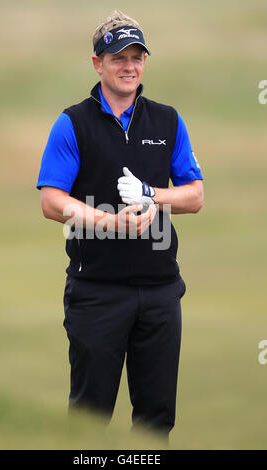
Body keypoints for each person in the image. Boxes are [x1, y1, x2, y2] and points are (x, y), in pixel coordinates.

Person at [36, 10, 204, 438]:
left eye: (137, 57)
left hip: (161, 289)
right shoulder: (72, 123)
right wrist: (110, 223)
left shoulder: (167, 120)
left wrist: (152, 195)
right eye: (118, 57)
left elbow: (195, 195)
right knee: (90, 420)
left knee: (155, 421)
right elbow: (52, 201)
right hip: (97, 292)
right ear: (97, 62)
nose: (129, 67)